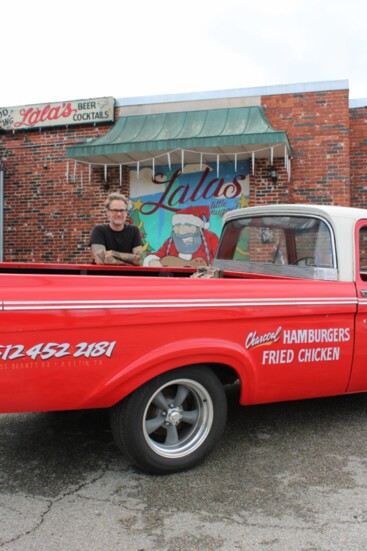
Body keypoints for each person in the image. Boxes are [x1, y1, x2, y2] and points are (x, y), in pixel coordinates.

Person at [90, 193, 143, 265]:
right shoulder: (99, 230)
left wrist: (111, 253)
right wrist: (130, 260)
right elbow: (100, 260)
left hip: (127, 276)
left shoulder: (133, 230)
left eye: (122, 210)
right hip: (104, 275)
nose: (119, 214)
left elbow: (139, 260)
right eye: (115, 210)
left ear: (126, 212)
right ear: (108, 212)